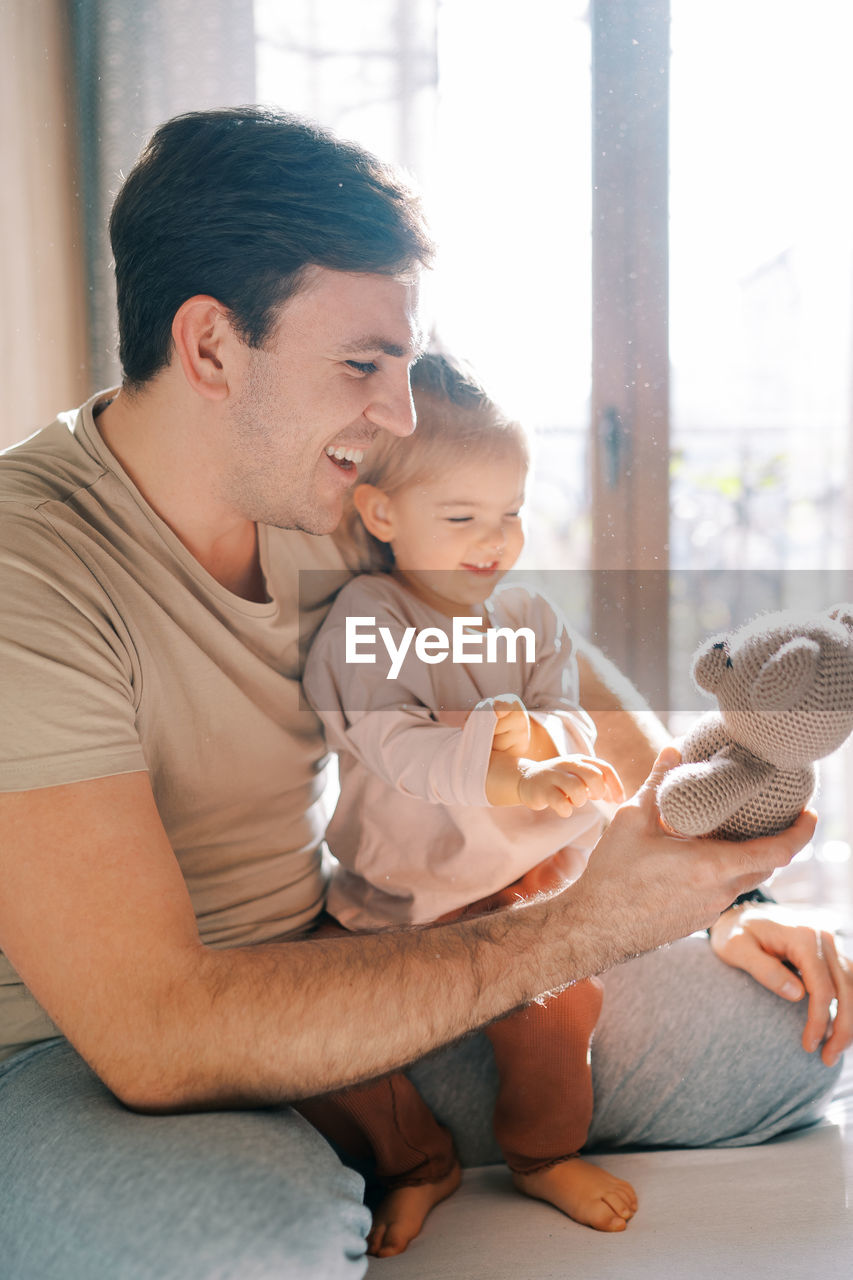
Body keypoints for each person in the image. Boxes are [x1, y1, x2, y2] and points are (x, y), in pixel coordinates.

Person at [0, 106, 846, 1280]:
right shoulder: (26, 567)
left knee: (792, 1033)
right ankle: (344, 1140)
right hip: (88, 1049)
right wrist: (577, 928)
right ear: (209, 349)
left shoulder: (323, 495)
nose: (395, 417)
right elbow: (154, 1028)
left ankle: (378, 1126)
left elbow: (533, 644)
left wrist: (724, 893)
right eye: (361, 366)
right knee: (225, 1257)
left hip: (336, 956)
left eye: (402, 365)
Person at [299, 351, 634, 1254]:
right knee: (303, 1039)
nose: (495, 540)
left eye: (511, 513)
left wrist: (552, 753)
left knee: (558, 1005)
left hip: (517, 875)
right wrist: (497, 770)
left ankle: (542, 1153)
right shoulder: (368, 617)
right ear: (380, 514)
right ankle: (415, 1161)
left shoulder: (527, 618)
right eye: (462, 518)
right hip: (395, 894)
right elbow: (390, 742)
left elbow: (570, 718)